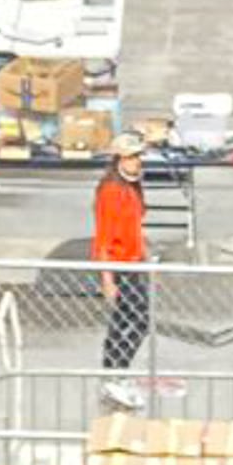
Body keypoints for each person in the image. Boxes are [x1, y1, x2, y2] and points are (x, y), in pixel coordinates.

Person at [92, 139, 154, 406]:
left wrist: (146, 254)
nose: (136, 161)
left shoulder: (132, 188)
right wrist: (107, 279)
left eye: (138, 156)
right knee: (136, 322)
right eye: (131, 157)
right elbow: (104, 238)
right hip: (120, 267)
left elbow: (136, 227)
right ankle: (114, 375)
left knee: (126, 323)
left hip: (135, 263)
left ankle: (115, 375)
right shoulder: (111, 192)